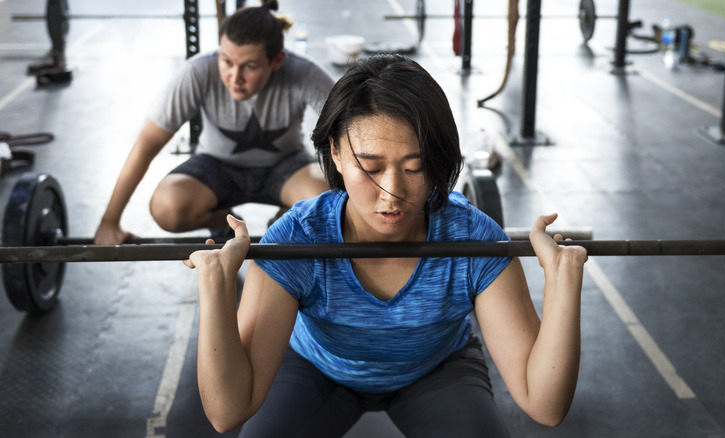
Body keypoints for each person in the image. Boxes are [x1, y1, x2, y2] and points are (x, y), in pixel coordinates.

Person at [184, 55, 588, 437]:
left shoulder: (475, 240)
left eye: (414, 167)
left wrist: (563, 280)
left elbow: (545, 406)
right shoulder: (298, 239)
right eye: (371, 167)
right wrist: (216, 287)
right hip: (318, 367)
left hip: (435, 367)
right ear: (336, 153)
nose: (391, 193)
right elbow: (227, 412)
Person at [95, 2, 334, 245]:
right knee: (167, 208)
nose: (235, 77)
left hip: (285, 165)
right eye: (227, 61)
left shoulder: (304, 72)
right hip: (217, 166)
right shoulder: (198, 72)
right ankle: (223, 223)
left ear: (276, 60)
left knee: (328, 204)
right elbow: (147, 144)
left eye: (249, 66)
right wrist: (109, 222)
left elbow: (349, 129)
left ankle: (287, 221)